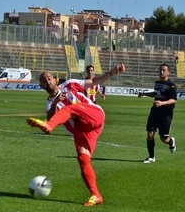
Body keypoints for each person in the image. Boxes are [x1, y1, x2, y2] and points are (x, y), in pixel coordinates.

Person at [27, 63, 126, 206]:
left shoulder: (70, 84)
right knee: (83, 158)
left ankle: (49, 127)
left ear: (55, 79)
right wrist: (56, 101)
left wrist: (112, 72)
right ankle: (96, 195)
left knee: (71, 109)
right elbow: (50, 115)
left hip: (94, 114)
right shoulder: (50, 104)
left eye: (49, 78)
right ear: (41, 86)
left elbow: (93, 82)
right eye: (44, 81)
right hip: (83, 129)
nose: (48, 82)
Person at [138, 63, 177, 163]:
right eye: (160, 70)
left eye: (164, 70)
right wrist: (144, 94)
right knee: (150, 134)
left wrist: (162, 103)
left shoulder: (171, 85)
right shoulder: (157, 83)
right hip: (154, 112)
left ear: (168, 72)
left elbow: (174, 100)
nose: (161, 72)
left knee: (164, 139)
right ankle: (151, 157)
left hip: (165, 114)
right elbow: (156, 93)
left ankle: (171, 141)